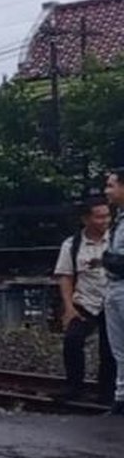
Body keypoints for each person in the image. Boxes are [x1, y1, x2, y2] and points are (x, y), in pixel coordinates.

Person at [55, 197, 115, 403]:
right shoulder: (72, 245)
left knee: (109, 349)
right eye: (99, 217)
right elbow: (65, 276)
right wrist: (69, 307)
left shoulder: (116, 240)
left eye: (107, 216)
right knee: (72, 341)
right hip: (85, 301)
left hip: (111, 301)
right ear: (86, 219)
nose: (104, 221)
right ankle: (74, 386)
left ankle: (106, 391)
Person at [103, 171, 124, 415]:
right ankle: (120, 397)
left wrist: (112, 261)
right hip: (113, 285)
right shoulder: (118, 218)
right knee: (118, 348)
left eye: (111, 185)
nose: (107, 191)